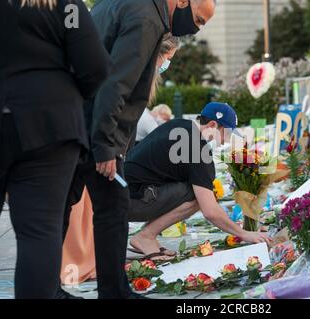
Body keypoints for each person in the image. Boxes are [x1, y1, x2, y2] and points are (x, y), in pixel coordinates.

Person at [62, 0, 216, 299]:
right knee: (112, 210)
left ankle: (55, 289)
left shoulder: (123, 5)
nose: (195, 29)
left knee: (62, 209)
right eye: (198, 20)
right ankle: (114, 291)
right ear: (182, 2)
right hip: (95, 130)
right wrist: (106, 145)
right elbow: (116, 83)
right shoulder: (147, 18)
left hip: (75, 120)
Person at [0, 0, 109, 298]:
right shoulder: (64, 6)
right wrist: (65, 97)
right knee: (39, 233)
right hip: (50, 122)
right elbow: (95, 66)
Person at [60, 34, 178, 291]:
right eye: (167, 60)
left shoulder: (142, 74)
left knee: (96, 214)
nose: (166, 65)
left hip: (108, 149)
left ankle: (94, 271)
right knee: (90, 213)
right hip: (103, 150)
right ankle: (82, 271)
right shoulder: (134, 69)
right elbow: (113, 106)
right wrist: (109, 150)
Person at [125, 102, 272, 261]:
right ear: (213, 125)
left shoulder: (179, 124)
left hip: (118, 194)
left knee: (194, 189)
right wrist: (244, 233)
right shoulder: (198, 150)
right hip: (130, 202)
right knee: (198, 197)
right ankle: (146, 237)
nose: (225, 142)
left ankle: (147, 237)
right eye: (227, 134)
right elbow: (210, 211)